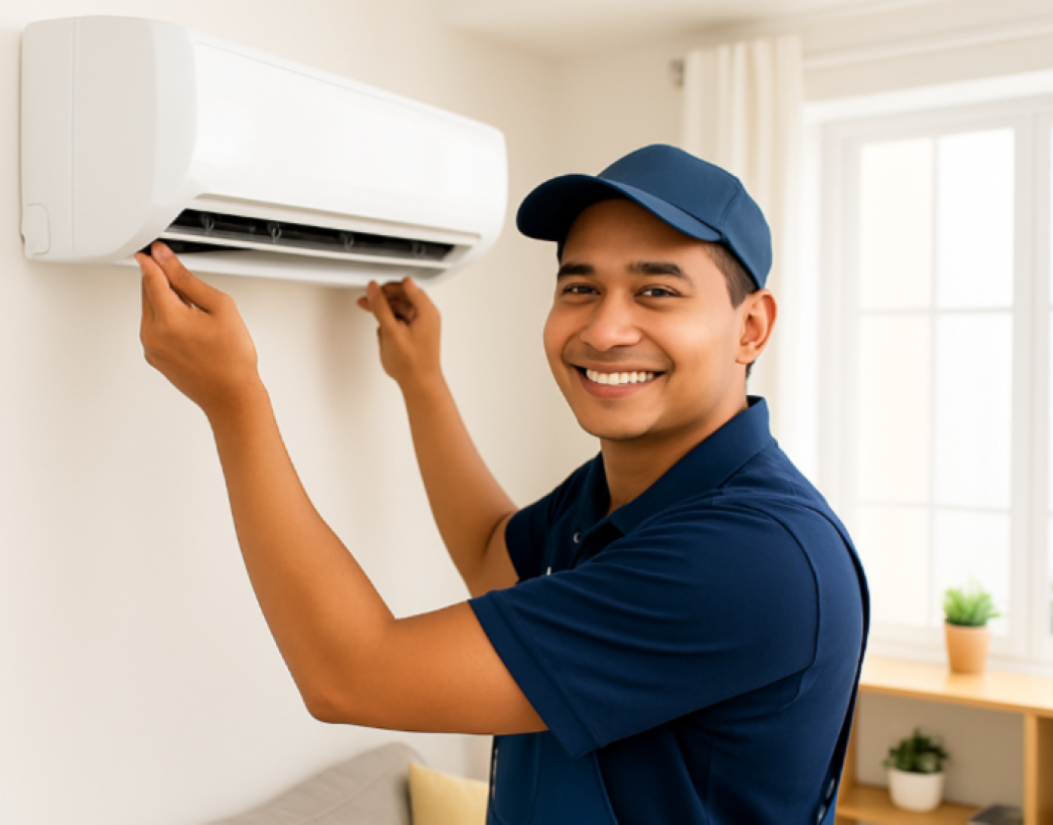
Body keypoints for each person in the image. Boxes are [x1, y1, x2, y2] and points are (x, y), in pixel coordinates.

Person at [134, 144, 868, 824]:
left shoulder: (751, 557)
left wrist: (234, 400)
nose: (606, 328)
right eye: (580, 286)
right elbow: (494, 553)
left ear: (751, 327)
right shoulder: (630, 492)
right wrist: (421, 380)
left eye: (656, 292)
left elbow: (350, 674)